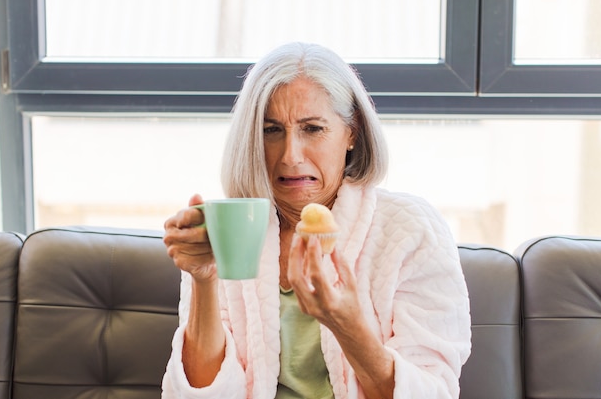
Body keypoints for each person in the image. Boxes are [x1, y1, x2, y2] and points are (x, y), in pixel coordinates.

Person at [161, 42, 471, 399]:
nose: (291, 156)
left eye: (312, 129)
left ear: (351, 131)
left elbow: (433, 392)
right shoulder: (231, 229)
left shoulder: (411, 230)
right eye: (271, 130)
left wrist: (349, 327)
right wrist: (203, 281)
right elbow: (201, 395)